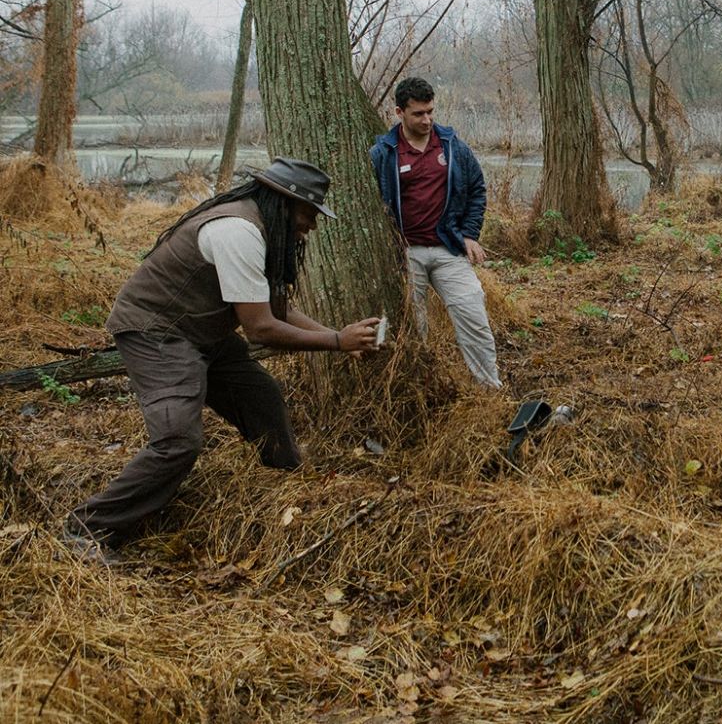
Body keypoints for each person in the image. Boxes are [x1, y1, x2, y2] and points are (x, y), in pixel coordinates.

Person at [65, 158, 381, 557]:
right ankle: (87, 529)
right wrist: (336, 341)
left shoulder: (264, 231)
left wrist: (343, 338)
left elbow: (277, 311)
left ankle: (287, 485)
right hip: (157, 332)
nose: (312, 226)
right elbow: (260, 328)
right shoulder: (238, 231)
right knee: (178, 440)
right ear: (283, 203)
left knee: (260, 396)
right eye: (308, 214)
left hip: (200, 332)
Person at [369, 77, 501, 388]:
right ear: (399, 112)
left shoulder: (453, 146)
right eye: (418, 114)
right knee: (415, 328)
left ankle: (489, 390)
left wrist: (469, 234)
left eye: (431, 111)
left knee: (474, 316)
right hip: (405, 253)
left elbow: (477, 188)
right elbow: (372, 204)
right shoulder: (383, 153)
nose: (427, 120)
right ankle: (423, 389)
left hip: (447, 247)